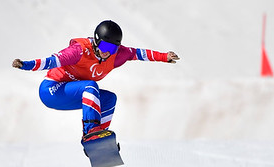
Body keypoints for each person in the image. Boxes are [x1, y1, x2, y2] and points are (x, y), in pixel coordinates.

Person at [12, 20, 179, 140]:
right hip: (51, 90)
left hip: (72, 93)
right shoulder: (79, 51)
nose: (108, 52)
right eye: (105, 47)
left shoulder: (116, 55)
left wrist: (164, 57)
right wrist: (26, 65)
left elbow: (139, 53)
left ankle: (99, 139)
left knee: (109, 98)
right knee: (91, 87)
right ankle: (91, 132)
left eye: (112, 48)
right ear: (97, 41)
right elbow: (51, 61)